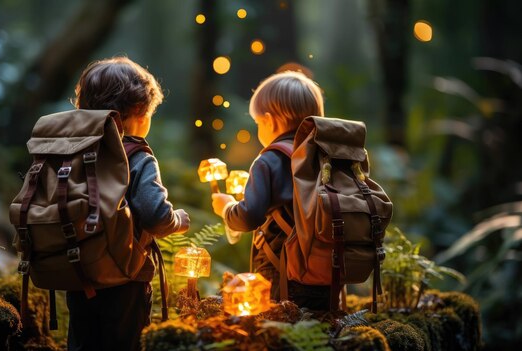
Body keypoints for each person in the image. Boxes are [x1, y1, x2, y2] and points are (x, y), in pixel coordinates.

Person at [66, 56, 191, 351]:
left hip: (77, 270)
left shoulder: (70, 151)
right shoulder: (136, 156)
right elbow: (155, 215)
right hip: (124, 279)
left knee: (82, 342)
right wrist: (178, 219)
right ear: (138, 111)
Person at [211, 70, 328, 310]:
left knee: (280, 328)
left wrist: (226, 208)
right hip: (326, 268)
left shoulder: (269, 160)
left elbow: (248, 217)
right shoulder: (325, 156)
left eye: (257, 123)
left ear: (270, 120)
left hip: (282, 269)